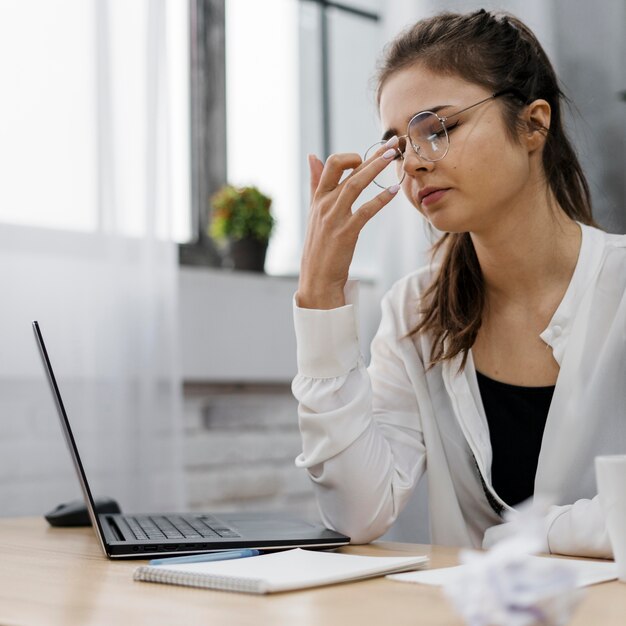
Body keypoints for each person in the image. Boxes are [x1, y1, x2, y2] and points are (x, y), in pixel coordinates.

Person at [291, 9, 626, 557]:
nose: (415, 163)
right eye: (400, 146)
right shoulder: (413, 311)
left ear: (534, 124)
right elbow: (357, 515)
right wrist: (321, 296)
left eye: (438, 128)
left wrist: (529, 535)